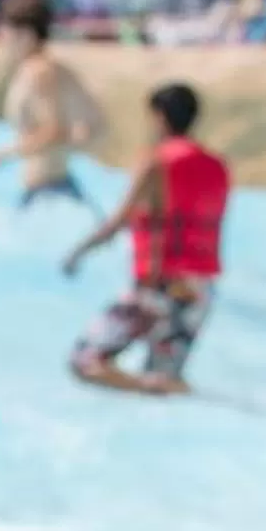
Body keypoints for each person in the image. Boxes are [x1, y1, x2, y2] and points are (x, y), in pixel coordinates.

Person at [64, 82, 231, 399]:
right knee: (165, 385)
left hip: (161, 288)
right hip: (200, 291)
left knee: (85, 362)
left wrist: (77, 253)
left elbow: (118, 221)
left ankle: (149, 387)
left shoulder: (156, 162)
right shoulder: (217, 166)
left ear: (159, 118)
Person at [0, 0, 99, 205]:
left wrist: (3, 154)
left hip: (48, 190)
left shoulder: (38, 71)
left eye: (4, 29)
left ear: (27, 34)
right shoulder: (46, 68)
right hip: (47, 187)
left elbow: (53, 130)